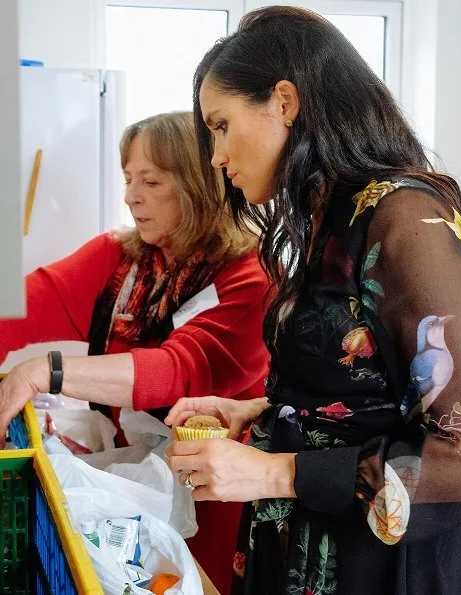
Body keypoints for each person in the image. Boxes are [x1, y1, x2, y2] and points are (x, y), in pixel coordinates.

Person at [165, 7, 461, 594]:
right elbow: (371, 395)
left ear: (284, 102)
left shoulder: (406, 219)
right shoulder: (331, 218)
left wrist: (277, 470)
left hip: (408, 567)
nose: (216, 156)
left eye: (221, 125)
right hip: (330, 545)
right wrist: (262, 413)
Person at [0, 111, 270, 594]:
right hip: (133, 490)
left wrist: (47, 371)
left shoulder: (248, 281)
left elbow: (175, 370)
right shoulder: (119, 260)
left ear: (197, 185)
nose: (131, 196)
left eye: (150, 180)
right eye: (128, 179)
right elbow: (22, 305)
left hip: (213, 501)